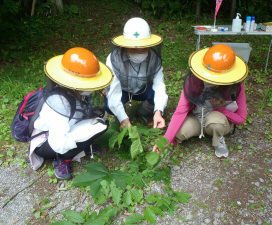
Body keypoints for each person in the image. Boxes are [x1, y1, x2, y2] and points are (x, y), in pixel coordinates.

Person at [28, 47, 113, 180]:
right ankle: (62, 160)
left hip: (62, 132)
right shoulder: (59, 102)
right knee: (99, 125)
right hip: (46, 142)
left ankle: (78, 148)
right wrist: (81, 141)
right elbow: (58, 143)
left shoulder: (76, 92)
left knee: (102, 119)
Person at [153, 44, 248, 158]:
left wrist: (221, 109)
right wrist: (165, 139)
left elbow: (241, 118)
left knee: (216, 124)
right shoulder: (193, 81)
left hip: (217, 118)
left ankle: (218, 139)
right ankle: (201, 131)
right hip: (196, 117)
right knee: (179, 132)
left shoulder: (236, 86)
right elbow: (180, 111)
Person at [105, 17, 168, 129]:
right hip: (122, 90)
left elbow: (159, 85)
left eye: (143, 49)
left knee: (157, 99)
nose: (139, 52)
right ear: (125, 46)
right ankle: (122, 116)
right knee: (108, 103)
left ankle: (143, 112)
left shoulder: (154, 58)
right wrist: (123, 118)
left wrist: (158, 112)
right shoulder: (114, 59)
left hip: (143, 89)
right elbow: (114, 91)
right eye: (134, 49)